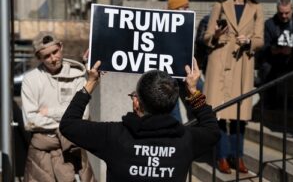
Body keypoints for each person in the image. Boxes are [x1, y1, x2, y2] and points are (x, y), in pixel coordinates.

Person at [59, 58, 220, 182]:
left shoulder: (114, 135)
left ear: (136, 103)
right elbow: (212, 128)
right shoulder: (186, 140)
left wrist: (91, 82)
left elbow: (68, 124)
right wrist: (193, 90)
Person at [203, 0, 264, 174]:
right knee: (220, 114)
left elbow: (260, 39)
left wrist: (249, 41)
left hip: (242, 63)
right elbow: (206, 37)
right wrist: (217, 35)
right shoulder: (220, 5)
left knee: (239, 116)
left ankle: (237, 157)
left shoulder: (256, 8)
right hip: (220, 61)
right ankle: (222, 157)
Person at [21, 31, 96, 181]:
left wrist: (49, 112)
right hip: (41, 153)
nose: (53, 58)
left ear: (61, 47)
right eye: (46, 56)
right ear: (39, 58)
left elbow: (84, 115)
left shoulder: (77, 75)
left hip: (72, 148)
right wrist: (68, 120)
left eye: (55, 52)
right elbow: (30, 121)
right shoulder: (31, 80)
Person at [167, 0, 204, 121]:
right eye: (183, 8)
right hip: (169, 73)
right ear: (174, 10)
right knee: (173, 111)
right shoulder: (164, 26)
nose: (187, 10)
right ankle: (178, 138)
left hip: (187, 71)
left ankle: (196, 130)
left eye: (187, 7)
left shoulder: (189, 24)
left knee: (197, 102)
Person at [259, 0, 293, 108]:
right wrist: (273, 49)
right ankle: (270, 102)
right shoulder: (270, 24)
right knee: (266, 68)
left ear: (292, 9)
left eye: (287, 13)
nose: (284, 16)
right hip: (275, 59)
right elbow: (264, 45)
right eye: (281, 13)